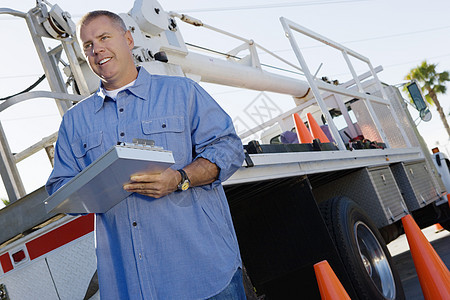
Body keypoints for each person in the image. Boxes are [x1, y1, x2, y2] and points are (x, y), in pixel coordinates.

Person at [46, 10, 246, 300]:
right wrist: (94, 188)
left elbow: (228, 148)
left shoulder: (182, 92)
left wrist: (180, 178)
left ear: (128, 39)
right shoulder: (75, 122)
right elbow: (58, 189)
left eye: (104, 37)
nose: (96, 49)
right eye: (88, 45)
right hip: (133, 286)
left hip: (204, 274)